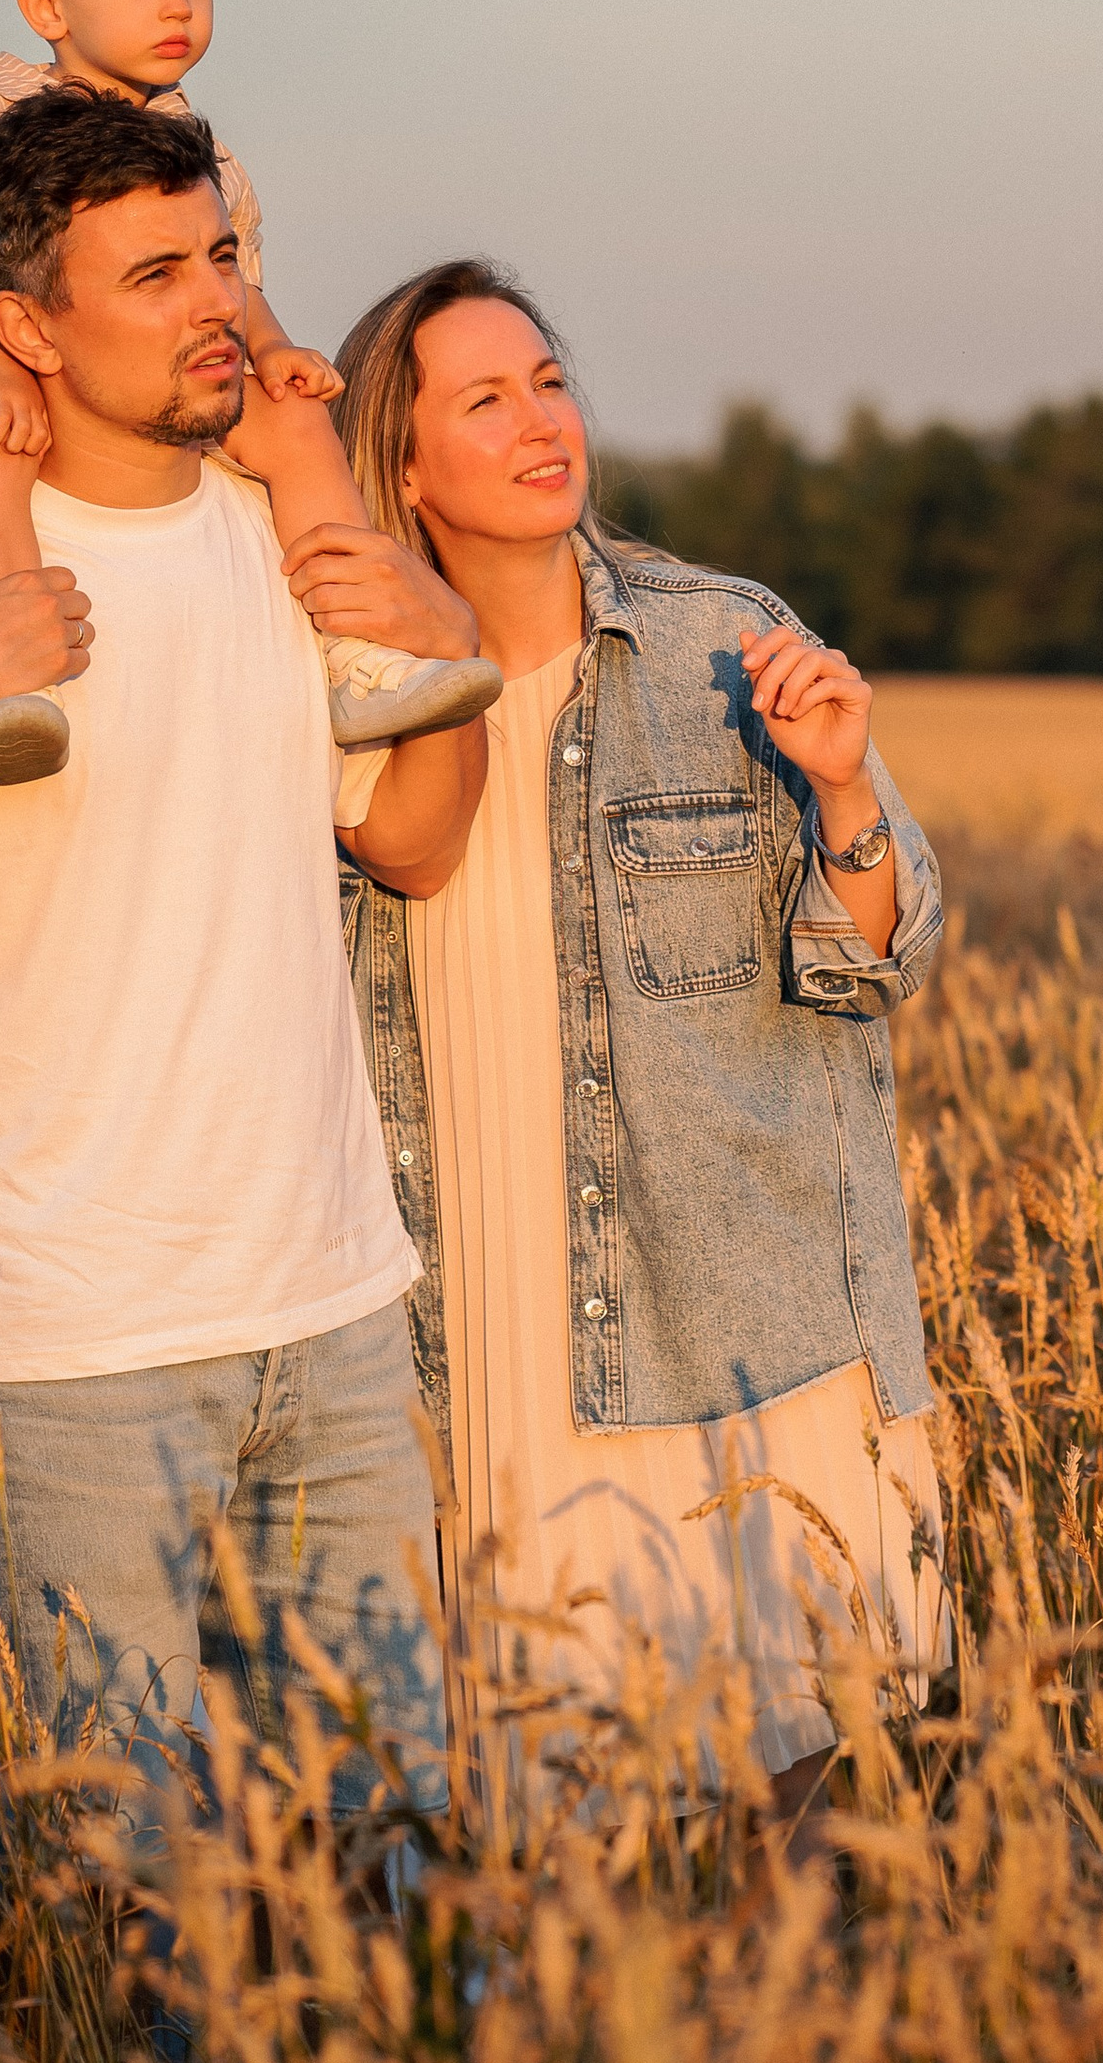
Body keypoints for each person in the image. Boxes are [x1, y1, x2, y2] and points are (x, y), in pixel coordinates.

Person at [0, 92, 489, 1811]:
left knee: (392, 1847)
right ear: (24, 331)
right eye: (154, 273)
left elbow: (419, 845)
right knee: (118, 1889)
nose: (217, 300)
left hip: (340, 1309)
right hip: (72, 1344)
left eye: (222, 253)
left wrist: (451, 655)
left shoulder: (287, 551)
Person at [298, 258, 950, 1828]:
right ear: (401, 463)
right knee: (544, 1801)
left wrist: (845, 787)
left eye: (547, 379)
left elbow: (882, 962)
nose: (541, 419)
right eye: (484, 397)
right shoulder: (341, 693)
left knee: (791, 1809)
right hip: (486, 1319)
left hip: (741, 1316)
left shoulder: (722, 646)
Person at [0, 0, 499, 781]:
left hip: (149, 384)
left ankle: (362, 649)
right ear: (47, 4)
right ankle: (12, 684)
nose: (177, 4)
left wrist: (275, 344)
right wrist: (3, 371)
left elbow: (234, 275)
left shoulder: (193, 144)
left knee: (294, 421)